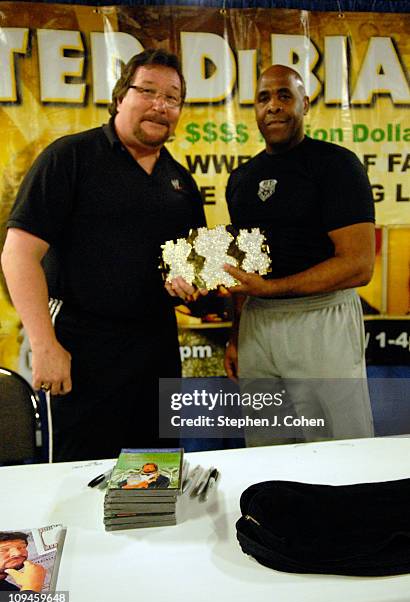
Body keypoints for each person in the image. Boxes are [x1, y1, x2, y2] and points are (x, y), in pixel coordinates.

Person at [1, 49, 205, 461]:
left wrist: (193, 285)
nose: (160, 105)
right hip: (80, 343)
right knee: (79, 475)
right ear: (119, 97)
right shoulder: (70, 157)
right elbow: (18, 255)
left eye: (172, 97)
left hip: (157, 348)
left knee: (155, 472)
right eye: (147, 91)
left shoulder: (180, 182)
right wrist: (44, 345)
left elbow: (192, 269)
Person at [221, 65, 375, 445]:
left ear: (305, 105)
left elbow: (359, 265)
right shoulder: (241, 180)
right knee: (266, 447)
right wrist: (238, 336)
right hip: (258, 325)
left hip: (321, 320)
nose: (273, 106)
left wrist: (271, 290)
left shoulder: (337, 165)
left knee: (341, 448)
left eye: (284, 95)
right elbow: (246, 270)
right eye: (263, 98)